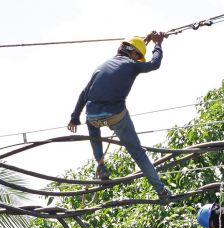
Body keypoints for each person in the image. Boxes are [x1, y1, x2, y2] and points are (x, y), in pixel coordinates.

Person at [67, 32, 172, 204]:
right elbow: (155, 64)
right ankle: (161, 191)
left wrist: (74, 118)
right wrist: (158, 44)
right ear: (133, 54)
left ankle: (101, 165)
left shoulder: (100, 67)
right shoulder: (131, 65)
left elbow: (84, 94)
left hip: (93, 115)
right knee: (138, 154)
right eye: (138, 57)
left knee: (92, 126)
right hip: (116, 115)